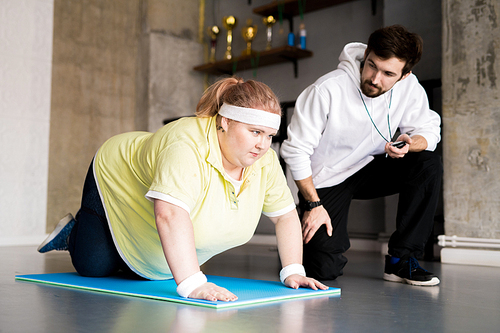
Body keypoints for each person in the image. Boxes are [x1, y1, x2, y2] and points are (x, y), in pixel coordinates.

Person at [38, 76, 327, 301]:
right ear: (225, 121)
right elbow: (170, 216)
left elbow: (285, 216)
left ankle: (127, 249)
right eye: (254, 132)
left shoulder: (264, 161)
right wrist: (192, 284)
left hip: (150, 204)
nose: (263, 144)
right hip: (117, 176)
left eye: (269, 135)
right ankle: (72, 233)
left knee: (153, 269)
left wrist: (293, 271)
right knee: (94, 266)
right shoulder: (185, 144)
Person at [280, 25, 442, 286]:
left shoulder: (409, 87)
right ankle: (296, 246)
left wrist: (408, 145)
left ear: (404, 75)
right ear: (366, 54)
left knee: (427, 162)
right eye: (371, 65)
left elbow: (429, 130)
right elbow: (295, 150)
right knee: (322, 271)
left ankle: (401, 261)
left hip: (371, 166)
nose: (375, 79)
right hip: (325, 179)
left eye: (388, 73)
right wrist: (312, 204)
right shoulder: (327, 89)